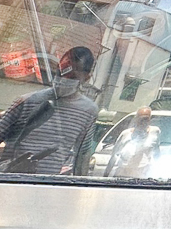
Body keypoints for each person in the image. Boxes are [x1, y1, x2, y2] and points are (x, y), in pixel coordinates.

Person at [0, 47, 98, 176]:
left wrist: (81, 187)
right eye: (60, 73)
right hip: (10, 179)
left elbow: (82, 155)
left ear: (86, 78)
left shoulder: (88, 111)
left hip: (48, 184)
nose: (63, 79)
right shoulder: (28, 101)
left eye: (72, 76)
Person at [104, 106, 160, 178]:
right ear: (136, 119)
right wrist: (105, 177)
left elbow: (157, 154)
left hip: (142, 177)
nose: (143, 122)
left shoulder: (155, 132)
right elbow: (114, 157)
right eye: (141, 119)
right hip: (122, 175)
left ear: (149, 120)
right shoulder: (126, 134)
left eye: (146, 119)